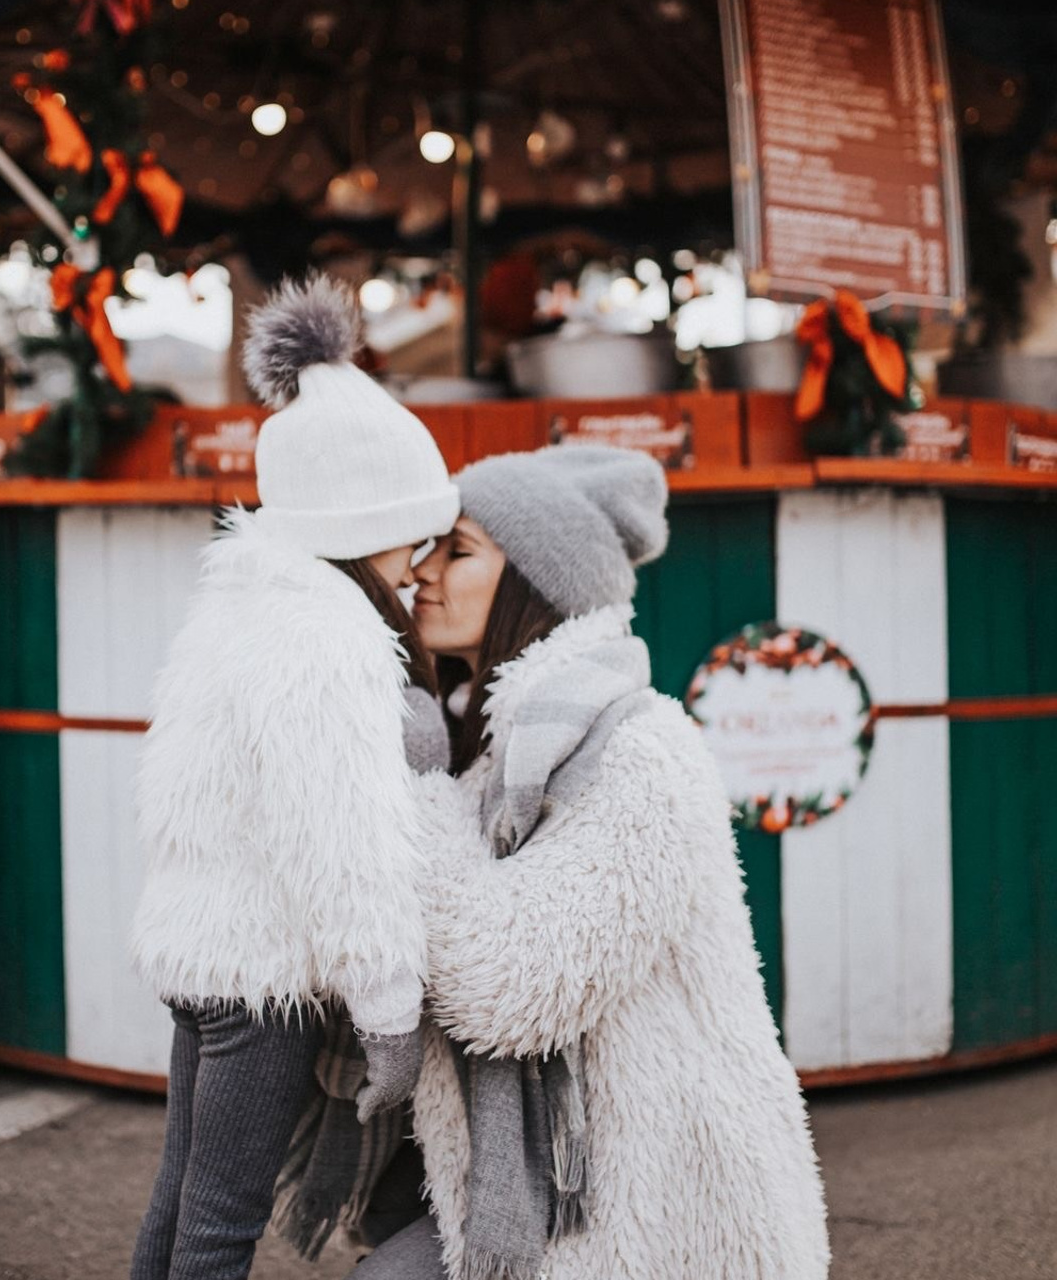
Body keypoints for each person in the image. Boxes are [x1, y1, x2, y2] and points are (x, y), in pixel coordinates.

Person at [353, 444, 830, 1280]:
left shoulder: (641, 752)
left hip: (671, 1207)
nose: (423, 573)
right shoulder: (490, 759)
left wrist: (418, 790)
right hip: (577, 1188)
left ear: (539, 583)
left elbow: (511, 986)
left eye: (458, 550)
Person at [128, 274, 459, 1280]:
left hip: (197, 950)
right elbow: (343, 847)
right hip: (261, 971)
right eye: (412, 543)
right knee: (219, 1222)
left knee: (184, 1188)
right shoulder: (328, 639)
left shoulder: (243, 599)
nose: (420, 567)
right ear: (361, 528)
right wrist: (390, 1014)